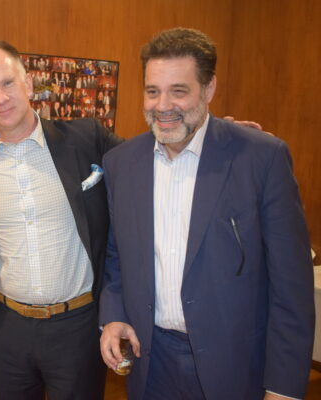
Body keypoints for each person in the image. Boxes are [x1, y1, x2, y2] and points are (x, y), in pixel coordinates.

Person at [99, 27, 314, 400]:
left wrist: (283, 388)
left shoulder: (261, 158)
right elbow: (118, 257)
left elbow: (291, 289)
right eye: (153, 91)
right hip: (151, 363)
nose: (163, 105)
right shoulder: (121, 163)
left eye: (179, 91)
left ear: (209, 89)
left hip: (236, 367)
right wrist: (114, 314)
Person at [0, 40, 121, 400]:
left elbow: (146, 163)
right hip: (8, 328)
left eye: (7, 83)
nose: (0, 98)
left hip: (77, 326)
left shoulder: (86, 138)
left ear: (28, 84)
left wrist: (203, 134)